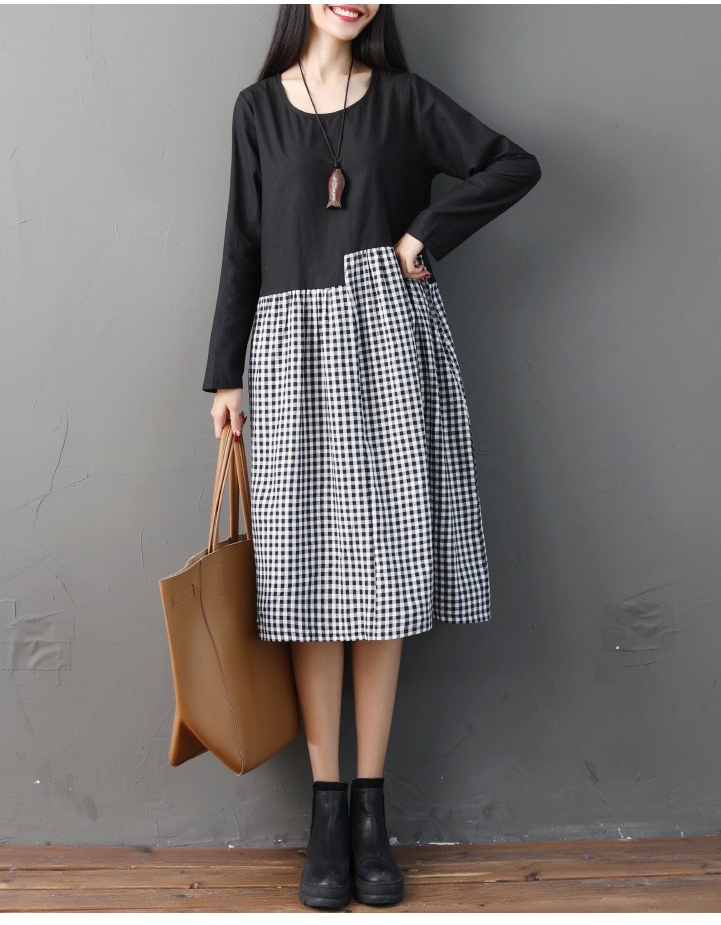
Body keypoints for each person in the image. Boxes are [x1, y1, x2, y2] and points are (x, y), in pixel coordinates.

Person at [202, 3, 541, 909]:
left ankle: (370, 814)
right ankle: (325, 813)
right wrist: (225, 375)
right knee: (309, 585)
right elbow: (241, 241)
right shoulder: (257, 109)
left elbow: (513, 163)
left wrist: (423, 236)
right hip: (288, 354)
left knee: (383, 581)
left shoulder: (405, 99)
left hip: (389, 342)